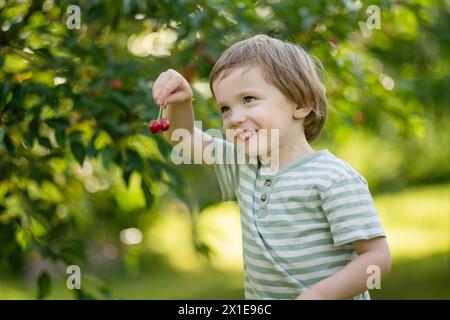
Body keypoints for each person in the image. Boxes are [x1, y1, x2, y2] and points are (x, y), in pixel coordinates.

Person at [151, 34, 391, 300]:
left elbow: (378, 260)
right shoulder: (242, 165)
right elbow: (183, 139)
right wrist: (181, 100)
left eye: (249, 99)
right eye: (225, 108)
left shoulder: (333, 179)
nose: (234, 118)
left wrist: (320, 295)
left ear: (301, 104)